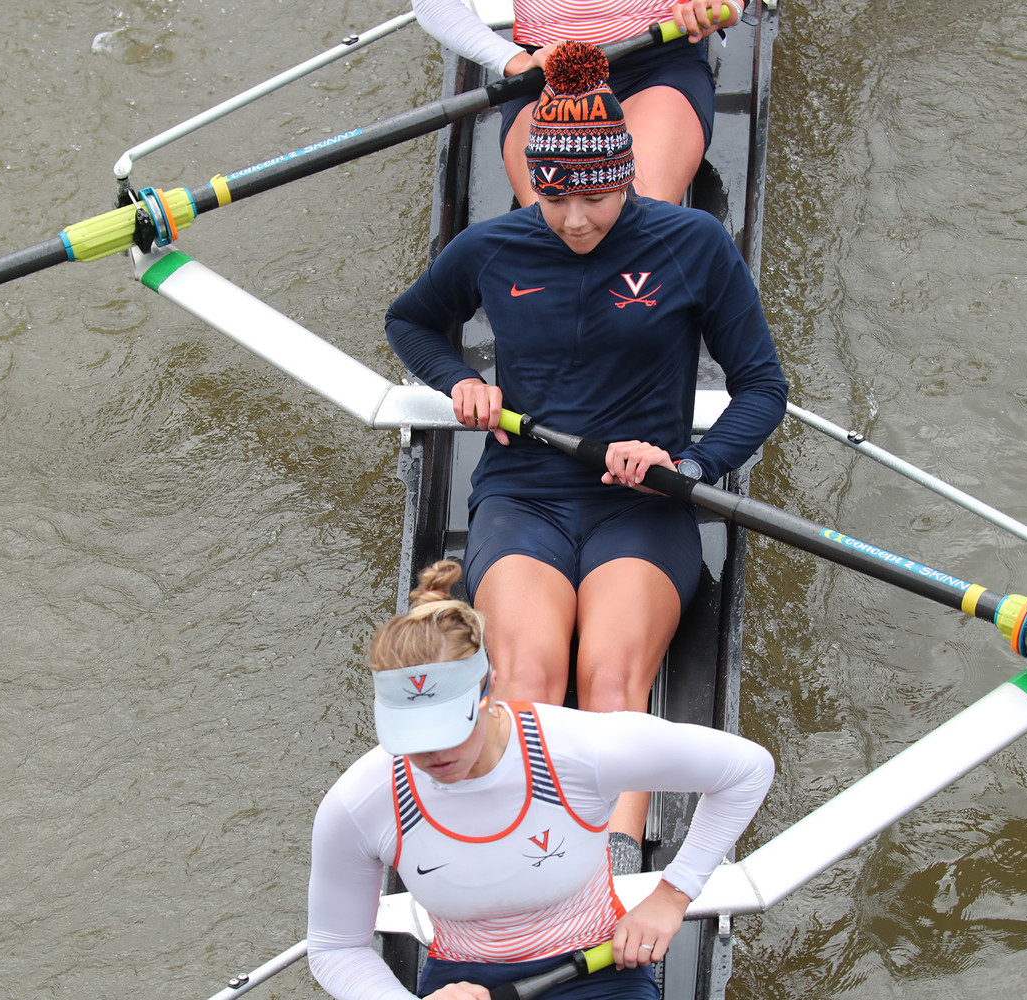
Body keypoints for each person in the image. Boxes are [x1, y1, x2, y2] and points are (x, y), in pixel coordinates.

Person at [384, 41, 786, 864]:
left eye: (597, 196)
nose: (574, 219)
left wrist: (691, 468)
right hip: (521, 495)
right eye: (555, 197)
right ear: (533, 181)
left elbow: (761, 389)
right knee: (527, 680)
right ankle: (523, 856)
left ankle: (613, 862)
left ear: (627, 173)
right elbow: (411, 322)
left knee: (609, 683)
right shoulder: (494, 249)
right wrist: (461, 381)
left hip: (642, 505)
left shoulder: (692, 244)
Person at [306, 560, 774, 1000]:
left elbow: (747, 771)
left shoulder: (577, 748)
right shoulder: (361, 801)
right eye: (411, 738)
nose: (432, 755)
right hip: (464, 981)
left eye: (449, 730)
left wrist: (672, 897)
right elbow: (335, 948)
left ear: (488, 687)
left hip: (599, 965)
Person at [411, 0, 743, 205]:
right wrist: (511, 60)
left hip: (656, 61)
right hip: (546, 70)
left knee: (627, 214)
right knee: (561, 227)